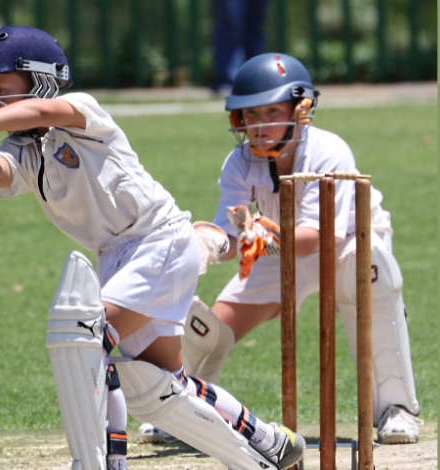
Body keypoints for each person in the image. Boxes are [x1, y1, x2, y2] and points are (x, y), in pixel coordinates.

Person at [0, 26, 305, 470]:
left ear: (41, 80)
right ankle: (266, 445)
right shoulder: (26, 150)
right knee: (160, 386)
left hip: (157, 241)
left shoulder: (81, 111)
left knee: (84, 338)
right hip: (122, 255)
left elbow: (42, 112)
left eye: (1, 90)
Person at [145, 53, 423, 446]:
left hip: (346, 243)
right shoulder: (239, 162)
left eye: (272, 112)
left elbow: (315, 236)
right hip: (280, 250)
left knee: (373, 274)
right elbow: (231, 231)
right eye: (251, 114)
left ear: (301, 109)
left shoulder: (329, 151)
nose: (260, 125)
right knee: (208, 330)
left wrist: (258, 237)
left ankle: (397, 410)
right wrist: (203, 244)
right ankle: (180, 411)